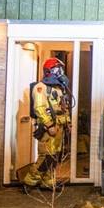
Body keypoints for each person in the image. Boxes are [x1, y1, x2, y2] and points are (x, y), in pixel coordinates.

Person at [23, 57, 72, 189]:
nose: (61, 72)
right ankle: (30, 181)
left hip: (59, 127)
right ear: (50, 71)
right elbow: (39, 108)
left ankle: (48, 181)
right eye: (58, 69)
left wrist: (68, 123)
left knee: (55, 155)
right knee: (46, 156)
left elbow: (63, 107)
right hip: (48, 128)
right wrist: (49, 125)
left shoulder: (58, 88)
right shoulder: (41, 88)